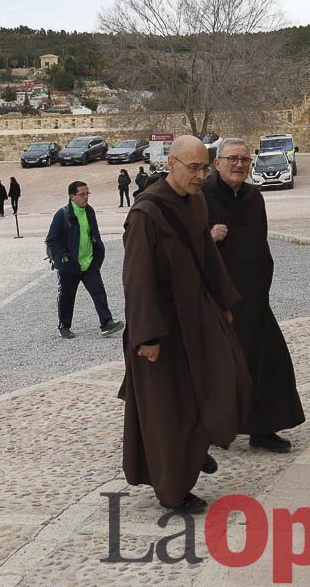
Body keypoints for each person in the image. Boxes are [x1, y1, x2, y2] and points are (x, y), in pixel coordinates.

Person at [120, 136, 252, 514]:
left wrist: (224, 301)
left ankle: (198, 449)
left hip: (196, 315)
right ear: (172, 164)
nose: (201, 175)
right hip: (161, 328)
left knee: (225, 378)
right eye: (193, 168)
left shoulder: (196, 202)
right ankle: (173, 490)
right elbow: (137, 278)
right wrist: (146, 336)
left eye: (204, 168)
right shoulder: (147, 214)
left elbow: (207, 256)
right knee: (169, 411)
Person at [204, 138, 304, 453]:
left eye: (245, 160)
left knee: (268, 362)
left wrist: (263, 286)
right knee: (220, 368)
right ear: (217, 163)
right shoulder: (201, 197)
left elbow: (260, 245)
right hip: (217, 303)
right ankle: (211, 432)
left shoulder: (253, 196)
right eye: (232, 159)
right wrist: (208, 239)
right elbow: (182, 249)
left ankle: (263, 428)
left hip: (255, 298)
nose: (239, 165)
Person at [45, 181, 123, 339]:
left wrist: (97, 254)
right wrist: (64, 257)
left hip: (89, 263)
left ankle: (106, 323)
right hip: (69, 265)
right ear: (72, 196)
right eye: (82, 194)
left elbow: (93, 234)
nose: (86, 197)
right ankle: (64, 326)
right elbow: (52, 239)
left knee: (99, 292)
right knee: (67, 296)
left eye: (88, 193)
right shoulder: (62, 214)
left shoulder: (89, 211)